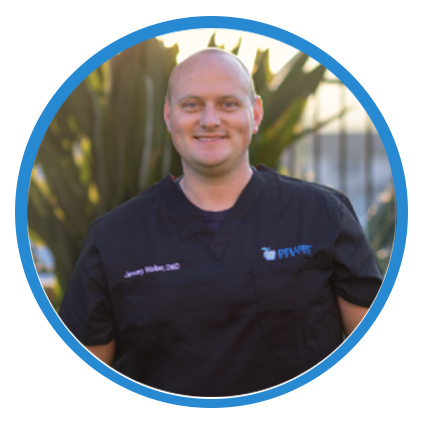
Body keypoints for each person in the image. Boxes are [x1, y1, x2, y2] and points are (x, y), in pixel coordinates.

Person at [59, 48, 397, 398]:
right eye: (191, 104)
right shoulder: (114, 237)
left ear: (255, 113)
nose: (209, 120)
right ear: (169, 115)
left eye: (228, 104)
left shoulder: (321, 214)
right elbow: (82, 386)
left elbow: (376, 348)